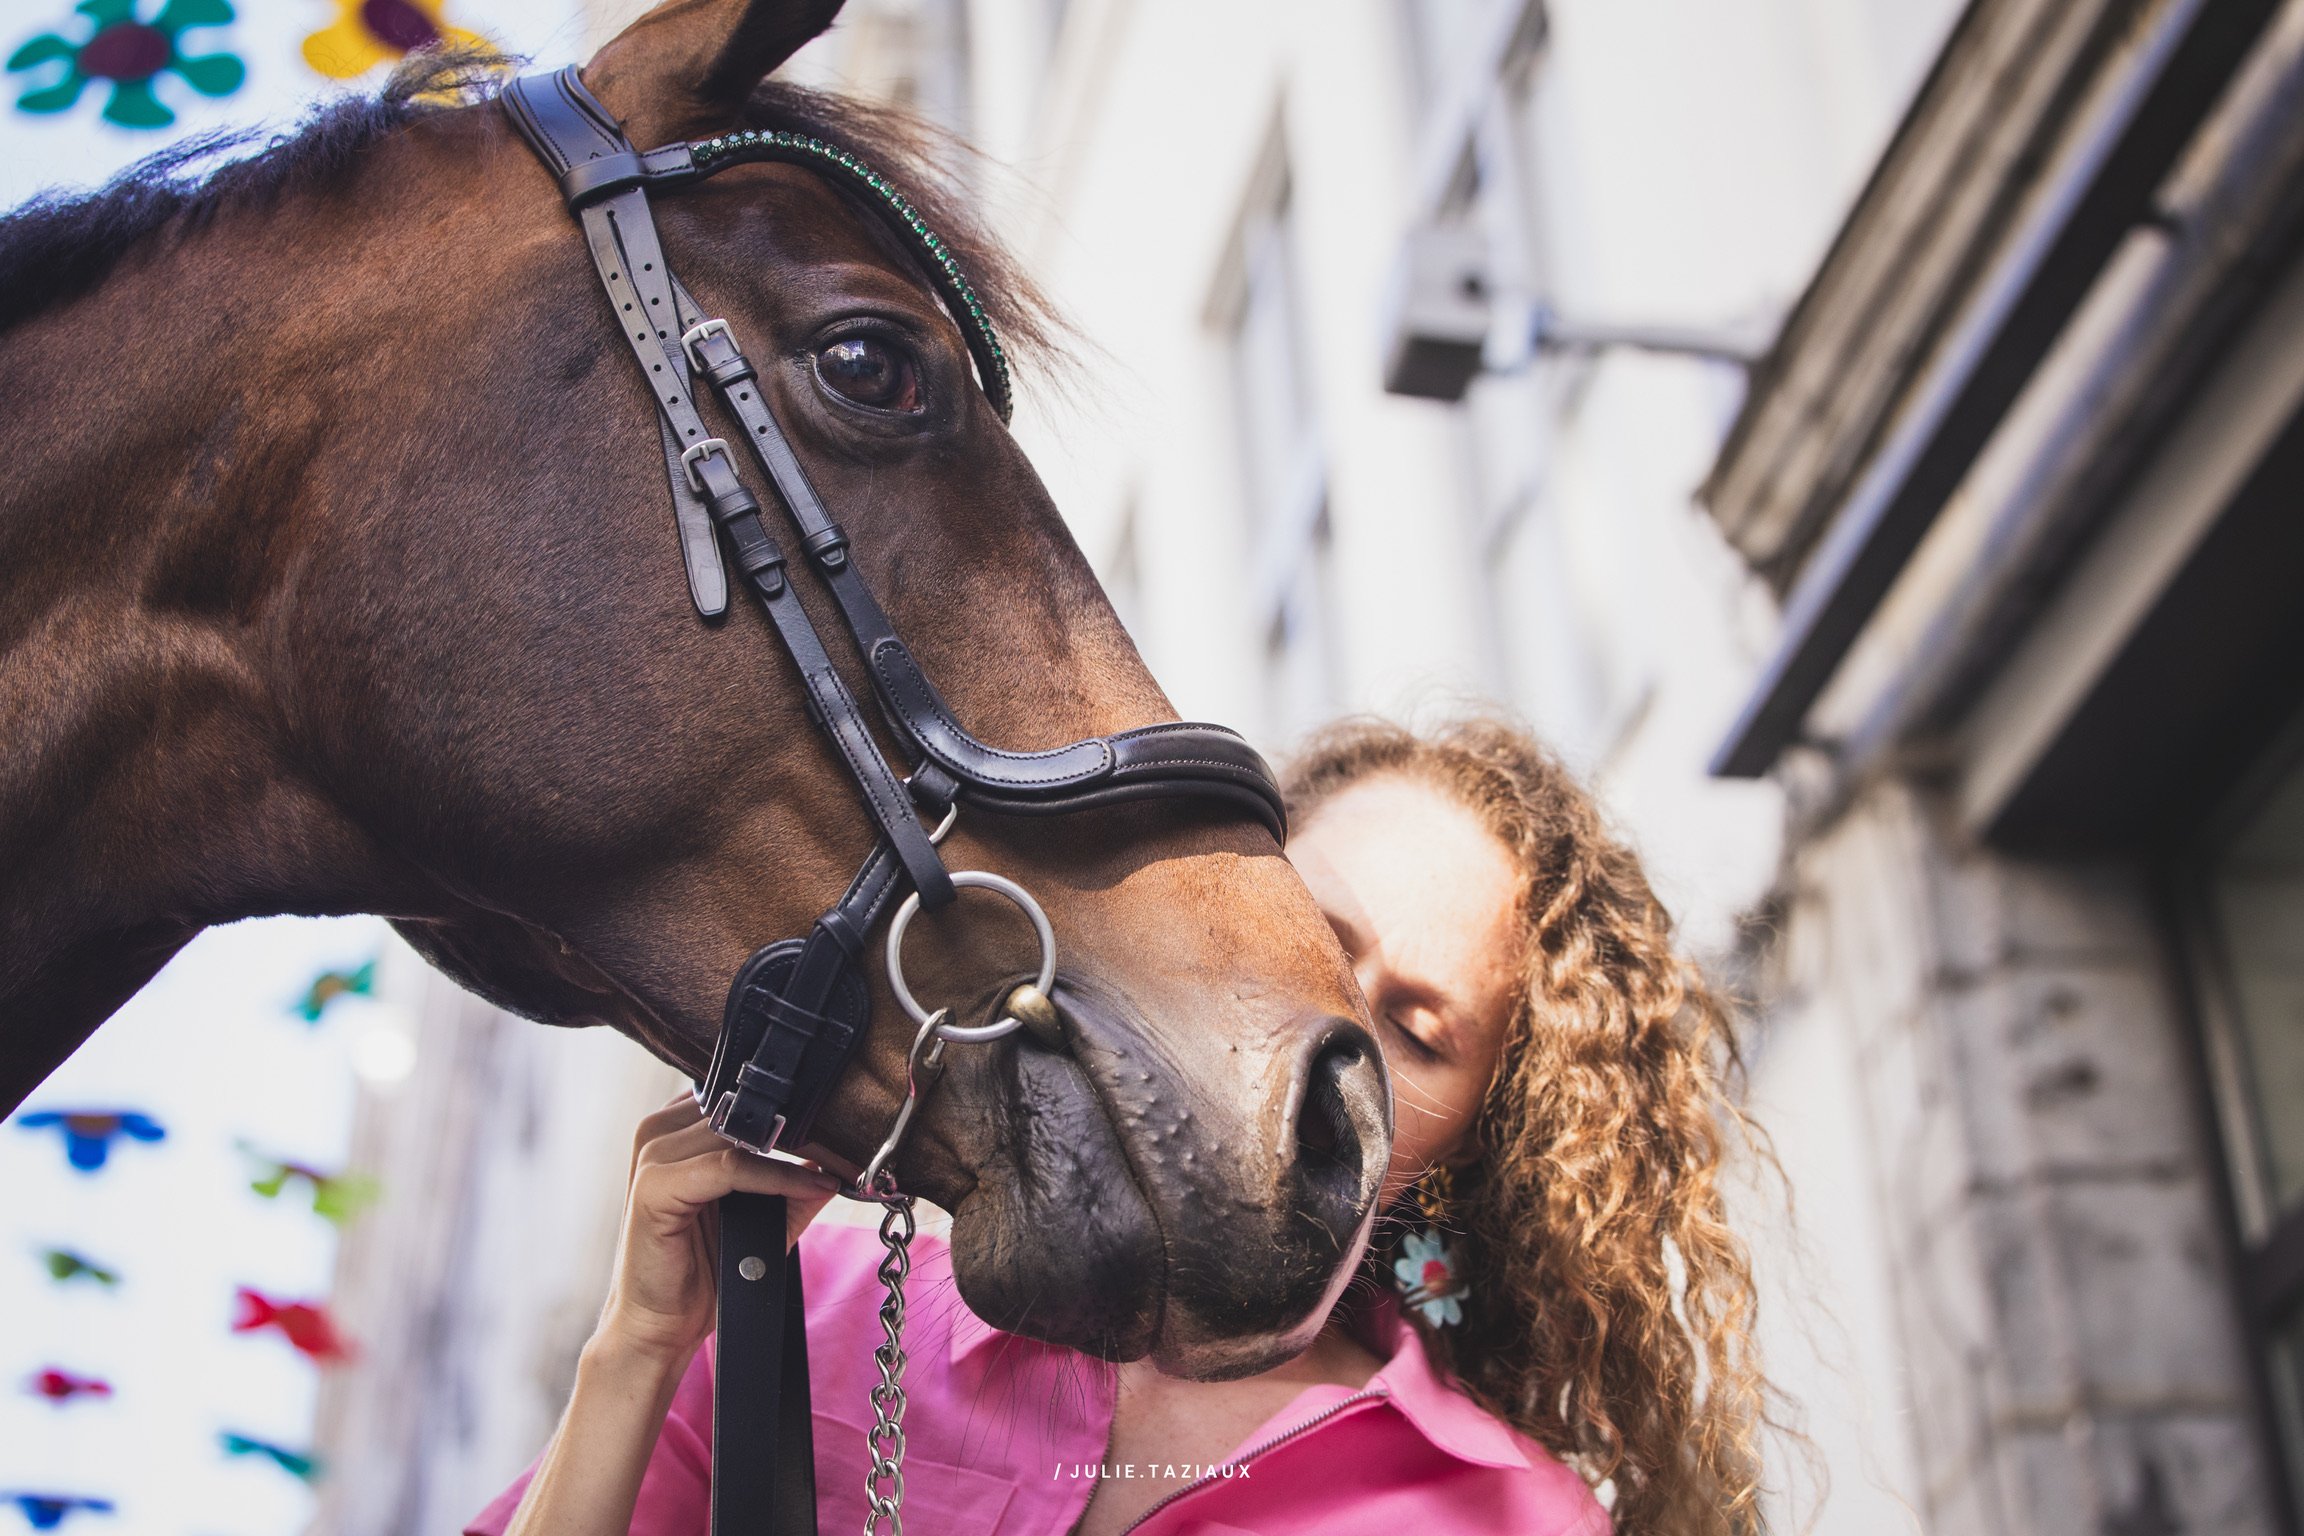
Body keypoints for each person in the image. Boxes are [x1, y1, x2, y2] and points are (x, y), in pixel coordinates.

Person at [468, 717, 1780, 1536]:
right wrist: (637, 1349)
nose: (1329, 1025)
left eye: (1417, 1031)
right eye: (1314, 937)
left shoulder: (1503, 1516)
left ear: (1477, 1146)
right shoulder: (816, 1303)